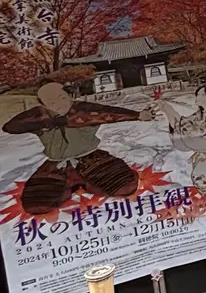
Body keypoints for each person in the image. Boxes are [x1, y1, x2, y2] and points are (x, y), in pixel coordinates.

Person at [3, 81, 141, 215]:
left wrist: (138, 116)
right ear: (43, 105)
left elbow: (110, 113)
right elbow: (10, 127)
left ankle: (87, 183)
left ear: (70, 95)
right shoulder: (40, 116)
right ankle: (74, 185)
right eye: (51, 103)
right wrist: (48, 121)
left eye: (62, 98)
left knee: (126, 186)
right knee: (37, 204)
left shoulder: (84, 110)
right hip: (55, 165)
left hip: (93, 158)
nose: (58, 105)